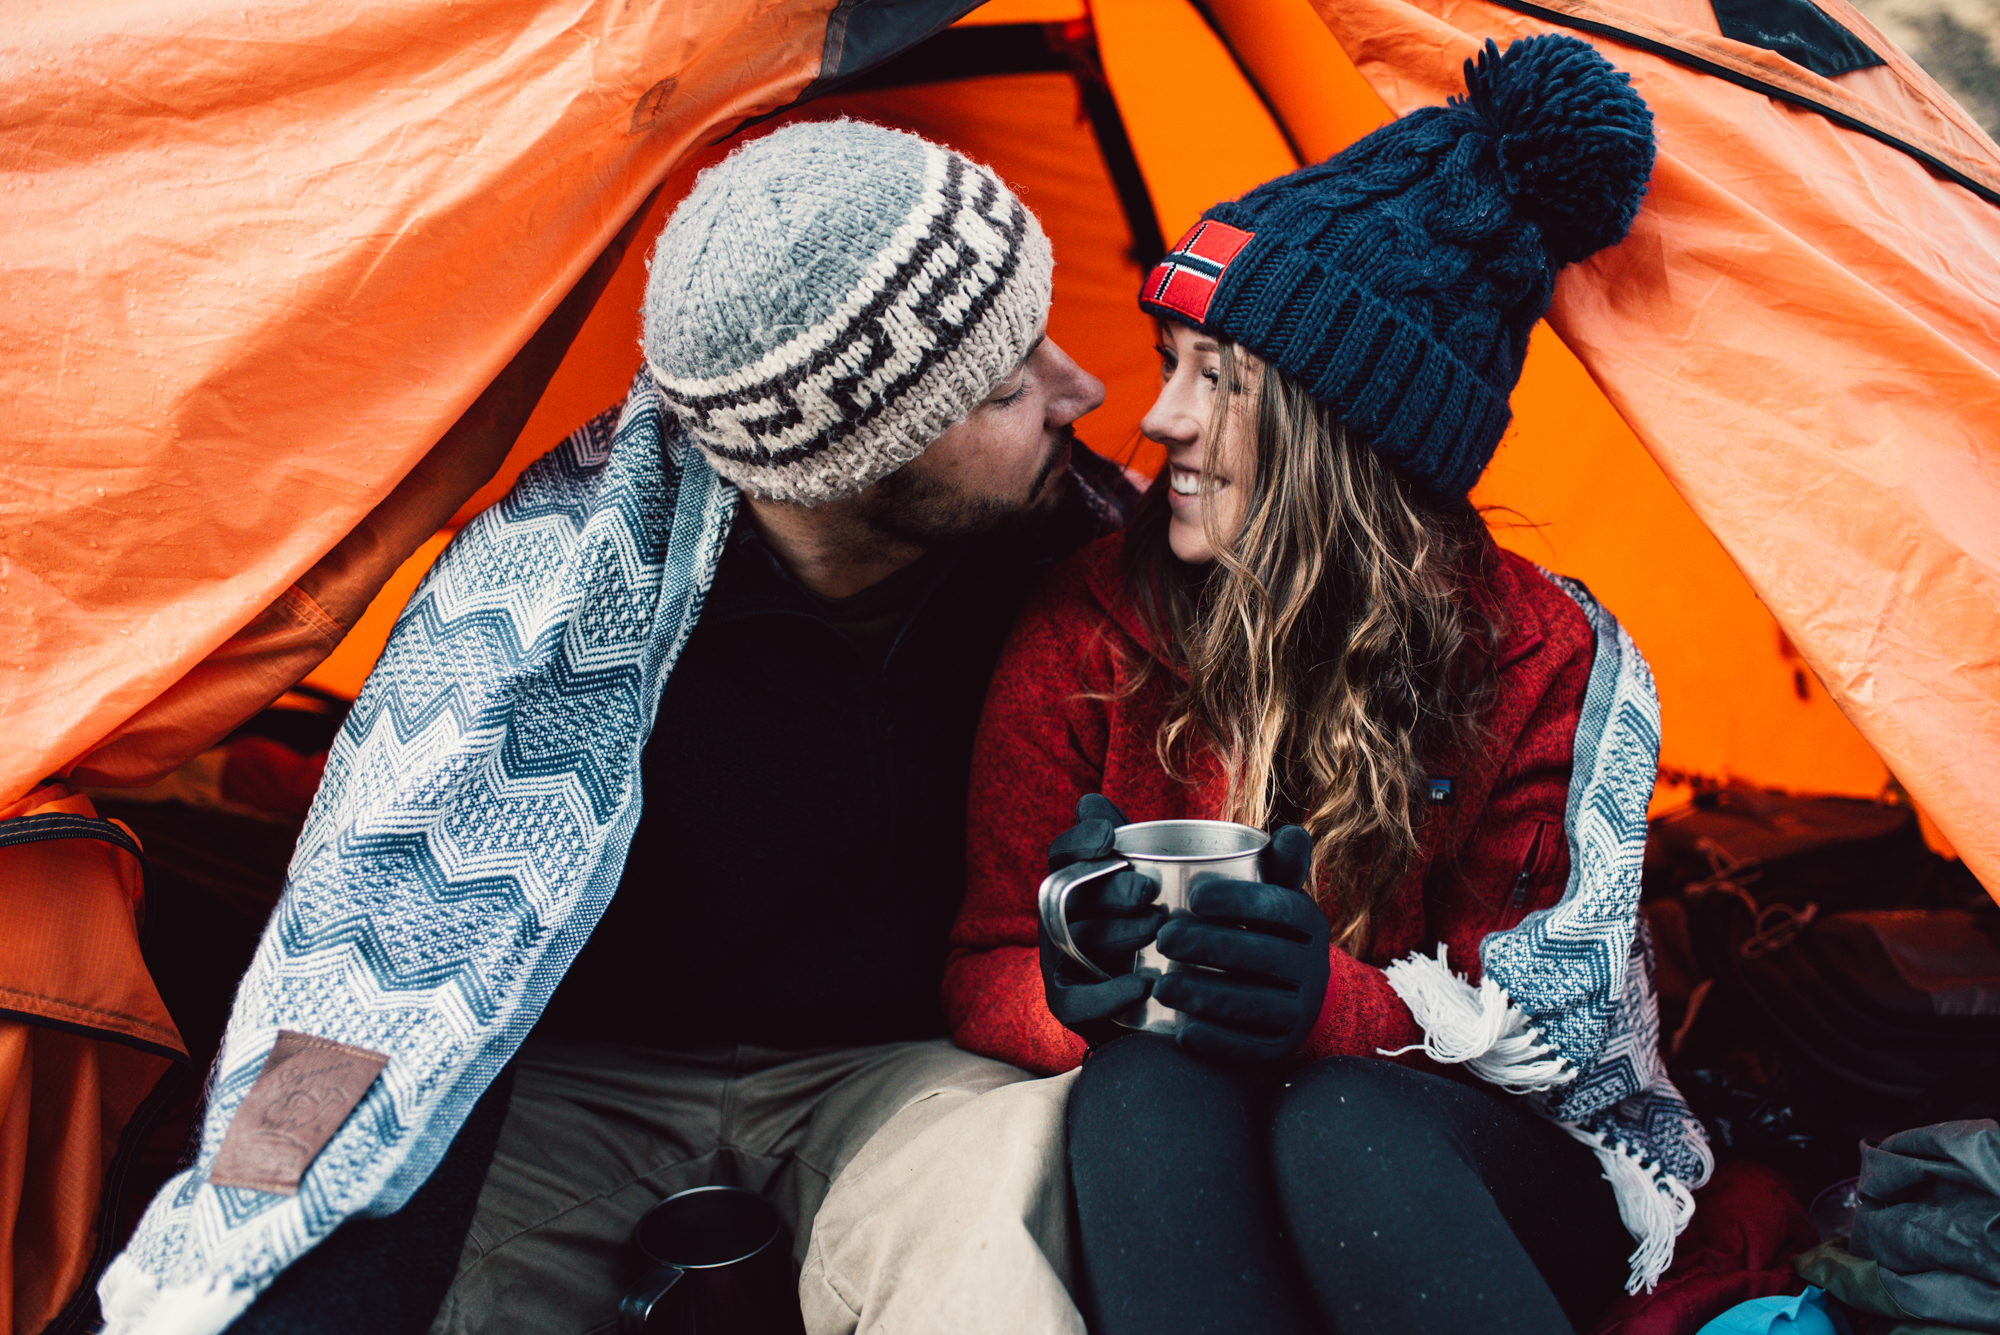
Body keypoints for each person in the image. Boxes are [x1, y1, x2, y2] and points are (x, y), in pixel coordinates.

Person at [100, 119, 1133, 1335]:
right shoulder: (541, 604)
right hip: (578, 1083)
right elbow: (369, 945)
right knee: (360, 1272)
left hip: (910, 1073)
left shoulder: (1085, 573)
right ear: (851, 461)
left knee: (998, 1259)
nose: (1088, 389)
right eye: (1007, 385)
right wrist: (265, 1202)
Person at [938, 35, 1711, 1335]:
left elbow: (1552, 1043)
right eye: (1167, 358)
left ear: (1347, 426)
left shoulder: (1535, 654)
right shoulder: (1086, 623)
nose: (1161, 418)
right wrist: (1077, 978)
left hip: (1459, 1163)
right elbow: (982, 959)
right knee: (1144, 1084)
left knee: (1342, 1119)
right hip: (1205, 1136)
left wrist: (1329, 1004)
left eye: (1217, 379)